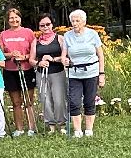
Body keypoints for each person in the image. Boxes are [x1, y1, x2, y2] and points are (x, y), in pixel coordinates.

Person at [62, 9, 106, 138]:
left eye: (77, 21)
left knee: (89, 101)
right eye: (73, 21)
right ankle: (77, 131)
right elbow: (64, 54)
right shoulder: (67, 36)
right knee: (74, 101)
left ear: (84, 22)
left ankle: (88, 129)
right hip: (74, 74)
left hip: (91, 72)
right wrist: (65, 60)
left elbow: (100, 55)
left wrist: (101, 73)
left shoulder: (92, 34)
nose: (74, 23)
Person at [0, 7, 37, 137]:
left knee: (28, 101)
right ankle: (19, 129)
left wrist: (25, 57)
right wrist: (11, 54)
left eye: (16, 17)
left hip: (26, 69)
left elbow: (34, 51)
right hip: (10, 70)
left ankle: (32, 128)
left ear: (20, 18)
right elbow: (1, 54)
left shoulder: (28, 32)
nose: (14, 20)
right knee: (16, 102)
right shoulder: (3, 35)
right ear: (8, 21)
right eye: (11, 18)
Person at [33, 13, 68, 134]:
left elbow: (66, 57)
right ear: (39, 27)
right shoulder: (35, 41)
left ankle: (62, 124)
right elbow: (31, 60)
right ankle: (51, 125)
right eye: (42, 25)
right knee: (45, 99)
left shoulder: (60, 39)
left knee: (59, 99)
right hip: (41, 73)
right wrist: (39, 63)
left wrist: (53, 59)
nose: (45, 27)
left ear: (52, 25)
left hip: (57, 72)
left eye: (48, 24)